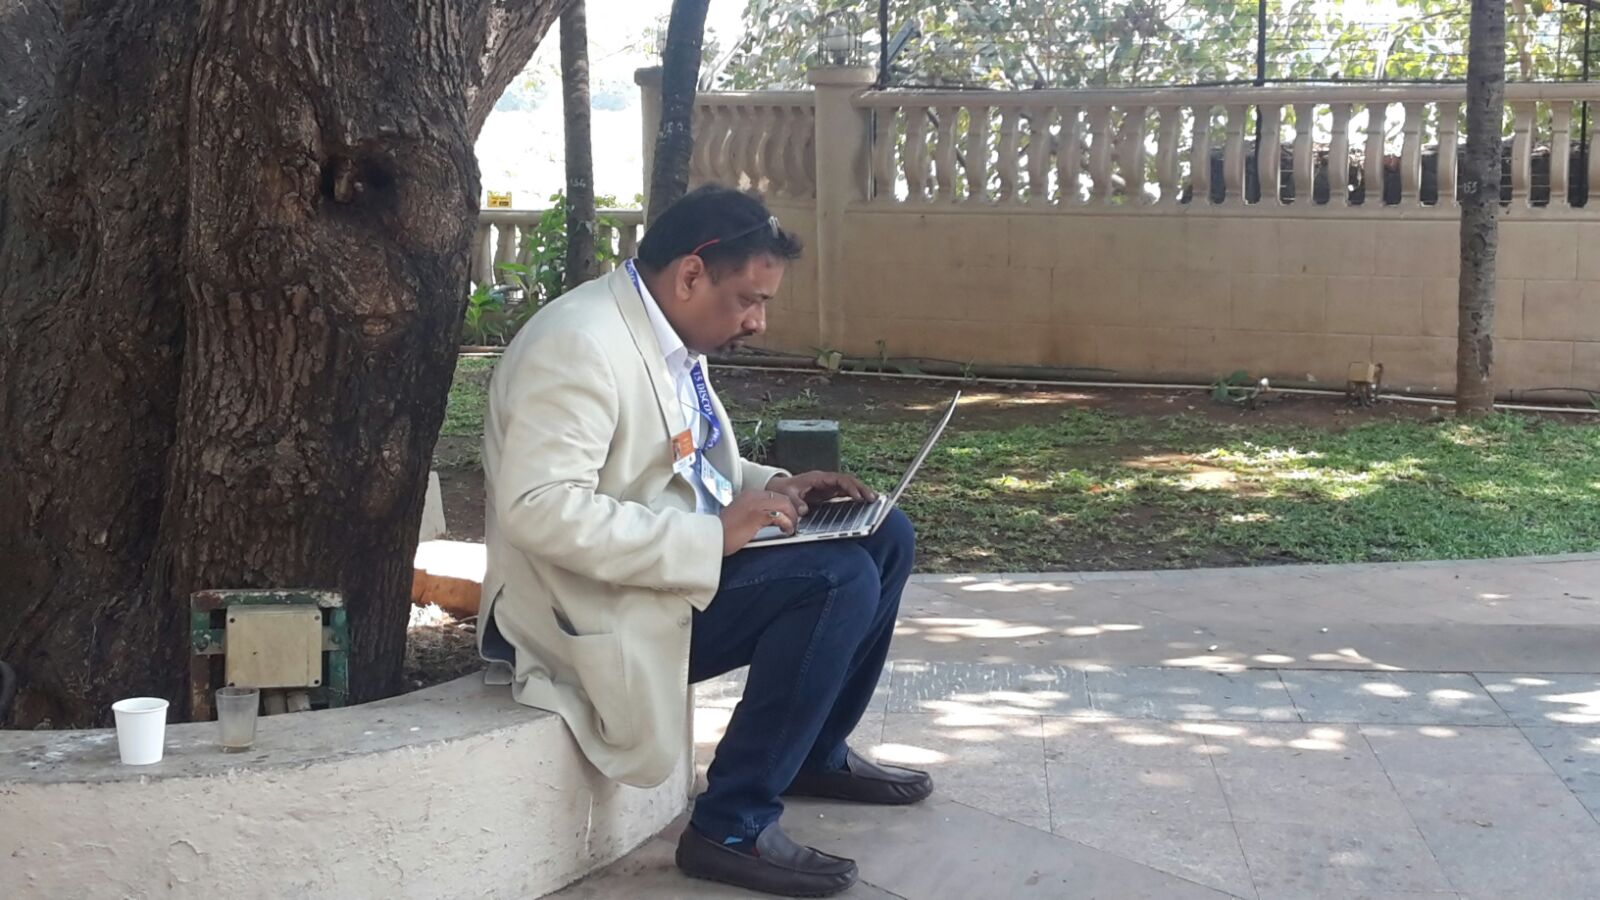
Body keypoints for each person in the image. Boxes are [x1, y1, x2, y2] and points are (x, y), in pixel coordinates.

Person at [477, 184, 931, 897]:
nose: (754, 322)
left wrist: (777, 484)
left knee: (884, 538)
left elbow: (677, 455)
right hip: (583, 604)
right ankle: (729, 827)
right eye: (749, 300)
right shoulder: (577, 345)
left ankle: (813, 751)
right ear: (691, 274)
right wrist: (712, 536)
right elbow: (540, 509)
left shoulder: (661, 332)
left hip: (654, 565)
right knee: (835, 578)